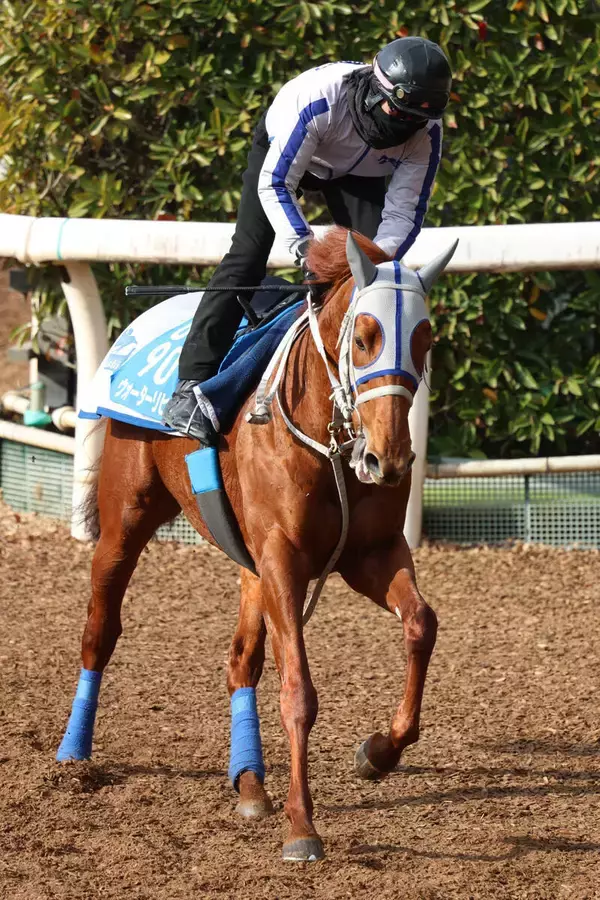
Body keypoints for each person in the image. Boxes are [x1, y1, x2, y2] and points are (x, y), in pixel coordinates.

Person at [163, 36, 452, 443]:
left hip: (357, 174)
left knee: (372, 277)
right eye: (398, 112)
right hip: (285, 159)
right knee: (247, 255)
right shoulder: (319, 99)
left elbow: (404, 214)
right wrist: (304, 248)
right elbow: (276, 183)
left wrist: (370, 263)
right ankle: (191, 384)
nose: (405, 127)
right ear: (376, 90)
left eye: (416, 120)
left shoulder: (428, 131)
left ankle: (356, 400)